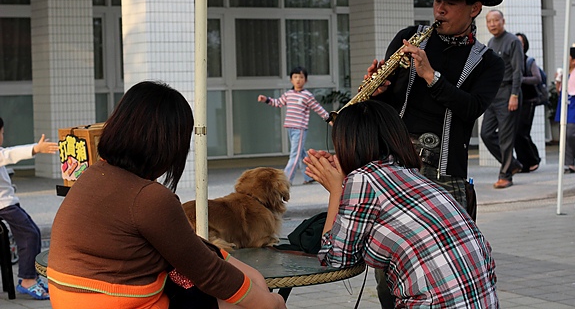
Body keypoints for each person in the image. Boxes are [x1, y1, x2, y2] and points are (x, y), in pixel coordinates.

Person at [48, 81, 286, 309]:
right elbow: (208, 271)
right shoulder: (149, 197)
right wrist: (269, 303)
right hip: (122, 303)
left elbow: (189, 247)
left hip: (70, 299)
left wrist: (248, 276)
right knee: (244, 303)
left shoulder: (92, 176)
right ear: (169, 145)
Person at [364, 0, 504, 309]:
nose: (439, 8)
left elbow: (471, 109)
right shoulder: (408, 37)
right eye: (436, 0)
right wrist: (379, 88)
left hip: (446, 176)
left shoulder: (488, 61)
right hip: (394, 169)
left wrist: (431, 76)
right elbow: (390, 97)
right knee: (390, 273)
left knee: (444, 275)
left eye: (450, 2)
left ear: (475, 8)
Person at [304, 100, 498, 308]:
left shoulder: (363, 179)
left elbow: (335, 258)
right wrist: (343, 179)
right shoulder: (409, 174)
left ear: (347, 143)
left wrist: (336, 191)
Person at [0, 117, 58, 300]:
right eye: (1, 133)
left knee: (33, 232)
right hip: (3, 206)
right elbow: (9, 154)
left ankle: (31, 276)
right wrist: (36, 148)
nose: (3, 137)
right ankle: (27, 280)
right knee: (29, 234)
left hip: (8, 203)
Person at [258, 66, 330, 185]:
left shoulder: (307, 95)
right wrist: (266, 99)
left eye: (301, 77)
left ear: (305, 80)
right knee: (300, 154)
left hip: (299, 129)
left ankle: (284, 181)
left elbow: (318, 108)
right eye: (295, 77)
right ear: (291, 80)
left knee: (294, 156)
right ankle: (309, 176)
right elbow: (278, 103)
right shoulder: (289, 94)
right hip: (290, 128)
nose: (298, 80)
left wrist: (329, 119)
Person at [481, 9, 524, 189]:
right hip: (494, 95)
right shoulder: (491, 42)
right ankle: (512, 164)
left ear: (503, 21)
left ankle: (506, 175)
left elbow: (517, 70)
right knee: (486, 133)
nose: (492, 24)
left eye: (495, 20)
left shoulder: (513, 41)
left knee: (506, 137)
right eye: (489, 21)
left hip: (508, 93)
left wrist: (514, 94)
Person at [513, 32, 541, 173]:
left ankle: (533, 159)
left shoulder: (529, 61)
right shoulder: (511, 60)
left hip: (529, 100)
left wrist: (520, 79)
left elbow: (537, 78)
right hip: (515, 100)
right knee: (516, 133)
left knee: (522, 132)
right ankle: (523, 163)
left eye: (521, 43)